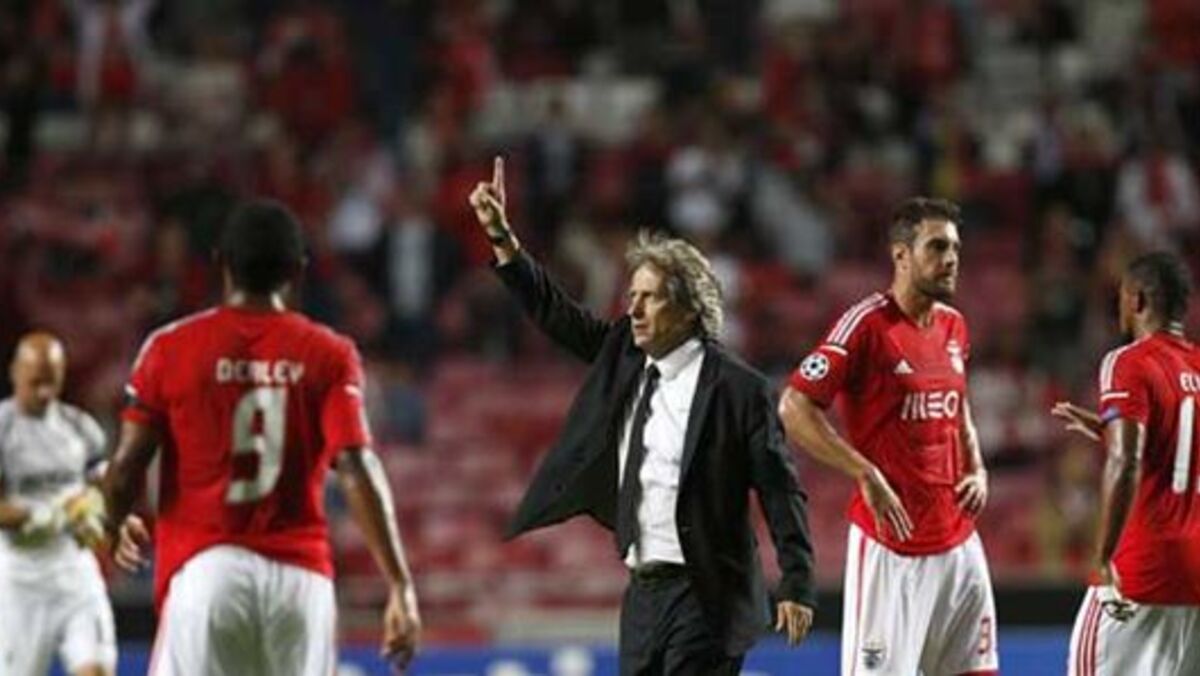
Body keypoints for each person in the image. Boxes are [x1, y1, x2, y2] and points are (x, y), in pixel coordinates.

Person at [469, 158, 817, 675]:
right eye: (632, 296)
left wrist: (797, 580)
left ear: (688, 308)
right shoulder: (625, 356)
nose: (632, 309)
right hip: (642, 594)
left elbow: (778, 487)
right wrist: (504, 241)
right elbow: (556, 313)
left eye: (649, 298)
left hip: (709, 595)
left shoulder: (740, 390)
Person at [102, 200, 421, 675]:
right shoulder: (329, 354)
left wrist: (111, 521)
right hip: (300, 583)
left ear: (221, 263)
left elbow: (127, 467)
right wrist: (400, 584)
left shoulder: (169, 349)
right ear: (297, 271)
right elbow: (356, 466)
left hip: (207, 570)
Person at [778, 197, 998, 675]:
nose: (951, 259)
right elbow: (794, 407)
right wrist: (865, 472)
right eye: (937, 247)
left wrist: (977, 467)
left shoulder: (954, 325)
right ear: (901, 255)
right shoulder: (866, 325)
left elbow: (958, 405)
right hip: (892, 547)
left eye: (955, 248)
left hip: (959, 541)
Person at [1052, 252, 1200, 674]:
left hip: (1141, 568)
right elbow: (1180, 450)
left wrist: (1103, 558)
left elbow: (1127, 459)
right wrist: (1108, 429)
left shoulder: (1129, 361)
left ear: (1137, 300)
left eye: (1120, 296)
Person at [0, 332, 115, 676]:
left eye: (51, 382)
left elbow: (105, 489)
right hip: (19, 578)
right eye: (35, 382)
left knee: (96, 671)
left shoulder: (81, 428)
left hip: (74, 570)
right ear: (15, 372)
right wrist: (44, 516)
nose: (44, 392)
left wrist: (97, 509)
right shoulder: (3, 428)